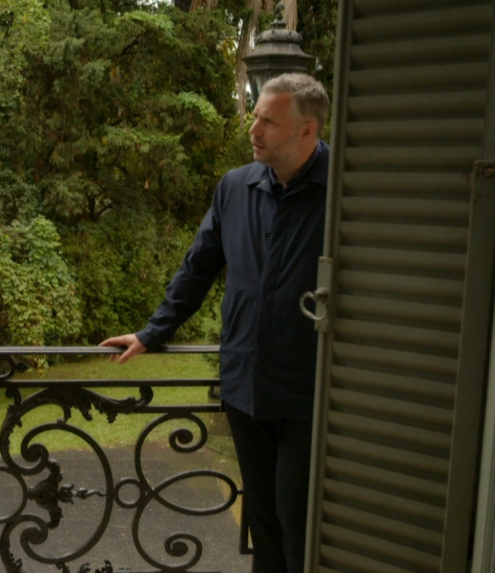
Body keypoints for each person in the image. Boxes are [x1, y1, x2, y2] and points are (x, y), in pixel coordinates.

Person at [99, 73, 330, 573]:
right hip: (245, 390)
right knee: (264, 522)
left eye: (268, 122)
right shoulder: (235, 187)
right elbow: (198, 268)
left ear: (307, 131)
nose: (254, 129)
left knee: (301, 524)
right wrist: (152, 332)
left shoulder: (343, 192)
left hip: (312, 397)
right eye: (255, 116)